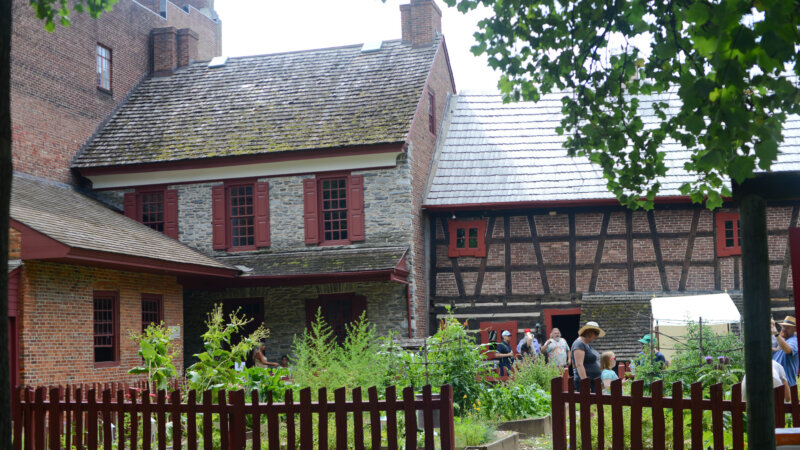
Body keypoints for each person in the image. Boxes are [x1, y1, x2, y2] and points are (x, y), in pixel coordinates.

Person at [571, 321, 605, 392]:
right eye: (596, 333)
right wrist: (585, 384)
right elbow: (579, 365)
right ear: (588, 332)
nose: (597, 336)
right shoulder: (579, 344)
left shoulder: (586, 344)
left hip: (593, 381)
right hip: (587, 382)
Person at [773, 316, 799, 387]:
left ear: (794, 329)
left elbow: (788, 350)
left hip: (788, 386)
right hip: (776, 385)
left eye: (787, 327)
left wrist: (776, 334)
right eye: (783, 326)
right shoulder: (780, 342)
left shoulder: (794, 340)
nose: (784, 329)